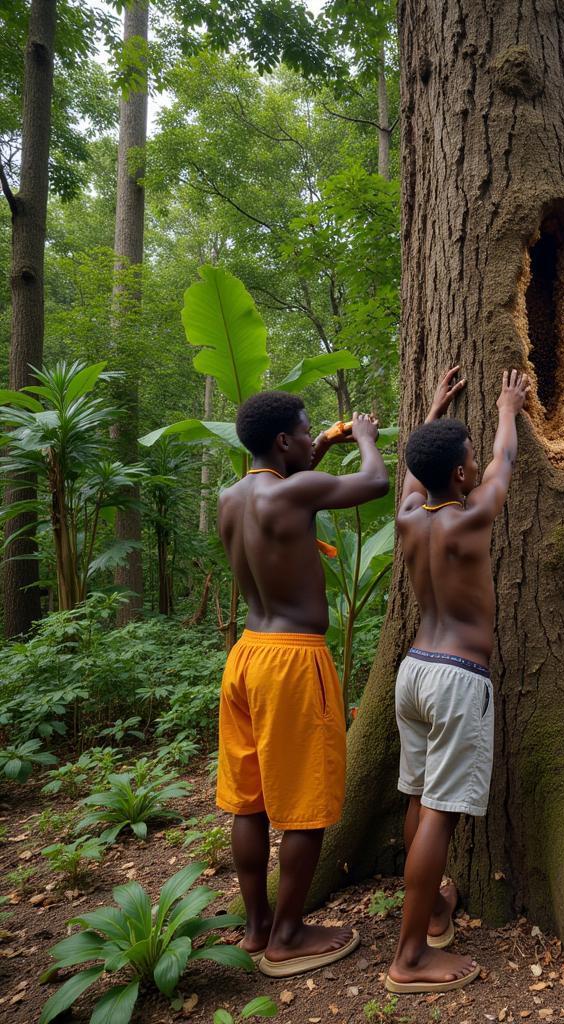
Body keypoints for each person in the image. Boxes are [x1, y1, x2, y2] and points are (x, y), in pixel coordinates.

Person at [216, 391, 389, 979]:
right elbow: (375, 484)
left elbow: (290, 507)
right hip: (292, 662)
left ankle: (257, 924)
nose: (316, 436)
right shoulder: (293, 493)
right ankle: (289, 936)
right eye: (307, 432)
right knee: (305, 805)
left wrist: (318, 452)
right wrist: (363, 437)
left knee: (251, 800)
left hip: (246, 656)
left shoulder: (231, 498)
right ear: (284, 442)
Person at [385, 366, 530, 995]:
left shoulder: (410, 518)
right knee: (441, 814)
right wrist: (506, 408)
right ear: (463, 474)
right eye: (465, 459)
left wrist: (434, 409)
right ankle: (409, 955)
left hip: (414, 672)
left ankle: (434, 912)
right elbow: (504, 459)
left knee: (419, 798)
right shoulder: (472, 520)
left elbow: (417, 472)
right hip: (458, 679)